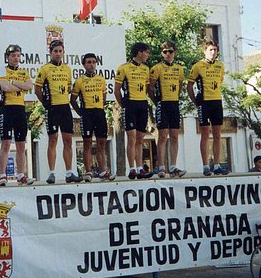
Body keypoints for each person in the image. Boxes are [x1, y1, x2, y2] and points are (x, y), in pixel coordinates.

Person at [36, 40, 81, 184]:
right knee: (53, 140)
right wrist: (46, 103)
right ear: (50, 52)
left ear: (63, 53)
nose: (58, 54)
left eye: (60, 51)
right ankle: (51, 173)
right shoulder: (44, 69)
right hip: (52, 108)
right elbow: (37, 89)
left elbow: (68, 87)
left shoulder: (67, 69)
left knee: (68, 140)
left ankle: (69, 173)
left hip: (65, 108)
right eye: (55, 51)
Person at [70, 53, 115, 182]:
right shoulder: (79, 81)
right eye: (88, 62)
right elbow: (72, 100)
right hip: (87, 114)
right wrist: (81, 113)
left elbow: (104, 98)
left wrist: (100, 108)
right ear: (84, 65)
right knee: (87, 143)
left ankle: (102, 171)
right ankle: (88, 172)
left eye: (94, 62)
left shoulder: (101, 79)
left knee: (102, 143)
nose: (91, 64)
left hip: (99, 113)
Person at [187, 40, 229, 176]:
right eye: (210, 50)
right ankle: (205, 166)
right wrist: (196, 102)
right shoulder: (198, 66)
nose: (213, 52)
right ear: (204, 51)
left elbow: (220, 82)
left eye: (215, 50)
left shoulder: (220, 66)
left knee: (217, 135)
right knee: (205, 134)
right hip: (204, 103)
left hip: (217, 102)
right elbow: (189, 85)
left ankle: (216, 165)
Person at [0, 44, 35, 186]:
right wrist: (19, 85)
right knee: (6, 143)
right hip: (7, 108)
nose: (16, 58)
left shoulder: (24, 72)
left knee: (21, 144)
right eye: (13, 55)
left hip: (20, 109)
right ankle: (2, 175)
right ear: (7, 57)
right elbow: (5, 87)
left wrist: (13, 82)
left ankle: (21, 175)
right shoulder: (2, 71)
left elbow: (30, 86)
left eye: (18, 56)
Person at [114, 42, 152, 180]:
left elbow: (148, 88)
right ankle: (132, 169)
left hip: (142, 104)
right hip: (130, 104)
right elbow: (117, 90)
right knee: (132, 137)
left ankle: (140, 168)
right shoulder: (124, 68)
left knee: (141, 139)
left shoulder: (146, 69)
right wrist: (123, 105)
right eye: (146, 52)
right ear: (139, 52)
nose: (147, 55)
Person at [148, 42, 186, 178]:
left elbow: (180, 85)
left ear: (175, 52)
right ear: (161, 54)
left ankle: (173, 166)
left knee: (175, 136)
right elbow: (150, 88)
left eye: (170, 51)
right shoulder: (157, 68)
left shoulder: (179, 69)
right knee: (163, 136)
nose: (168, 54)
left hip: (174, 104)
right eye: (165, 52)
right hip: (162, 104)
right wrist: (156, 102)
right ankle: (162, 167)